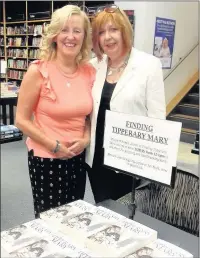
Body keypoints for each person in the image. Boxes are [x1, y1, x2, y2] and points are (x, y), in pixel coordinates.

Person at [16, 5, 95, 218]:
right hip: (46, 158)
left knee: (73, 217)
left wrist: (86, 138)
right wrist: (55, 146)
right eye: (65, 30)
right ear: (54, 35)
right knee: (49, 221)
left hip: (77, 158)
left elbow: (88, 116)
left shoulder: (89, 72)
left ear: (84, 36)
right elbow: (21, 120)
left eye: (77, 31)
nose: (71, 37)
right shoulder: (38, 71)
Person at [86, 4, 166, 204]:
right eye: (101, 32)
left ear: (125, 31)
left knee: (127, 216)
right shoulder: (92, 66)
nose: (107, 37)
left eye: (113, 29)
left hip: (130, 161)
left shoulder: (149, 65)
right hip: (96, 159)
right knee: (103, 208)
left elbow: (158, 119)